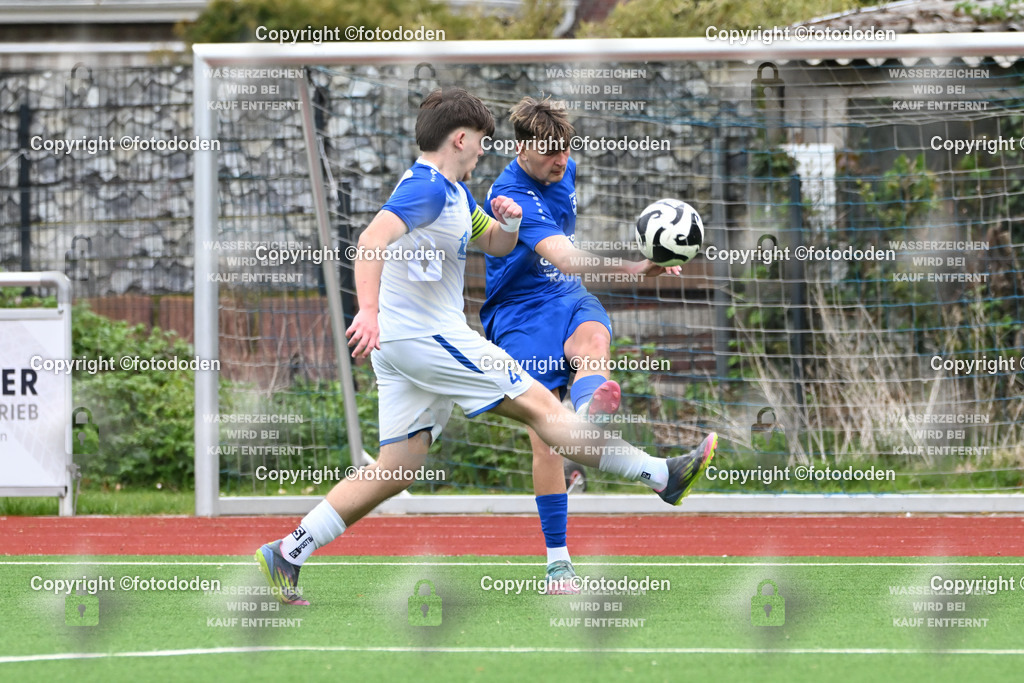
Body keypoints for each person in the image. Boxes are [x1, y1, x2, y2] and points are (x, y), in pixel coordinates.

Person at [255, 88, 716, 605]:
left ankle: (288, 552)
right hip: (428, 338)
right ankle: (663, 476)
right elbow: (369, 241)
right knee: (544, 410)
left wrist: (510, 222)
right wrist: (367, 310)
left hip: (408, 348)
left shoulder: (454, 195)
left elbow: (493, 242)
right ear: (459, 138)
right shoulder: (426, 188)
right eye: (480, 141)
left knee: (397, 468)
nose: (483, 150)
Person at [480, 96, 688, 591]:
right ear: (521, 148)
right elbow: (568, 258)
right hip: (519, 314)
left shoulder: (563, 169)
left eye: (566, 150)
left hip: (566, 296)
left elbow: (569, 273)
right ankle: (557, 563)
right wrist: (638, 268)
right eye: (551, 152)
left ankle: (592, 409)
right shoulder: (510, 193)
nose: (561, 160)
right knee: (546, 439)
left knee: (594, 336)